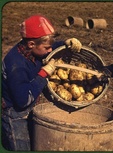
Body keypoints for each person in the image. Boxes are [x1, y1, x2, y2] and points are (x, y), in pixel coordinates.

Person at [1, 14, 82, 151]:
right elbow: (23, 101)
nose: (50, 51)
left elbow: (47, 47)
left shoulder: (32, 49)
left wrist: (65, 43)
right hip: (15, 115)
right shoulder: (16, 65)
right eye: (47, 48)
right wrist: (43, 74)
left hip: (30, 107)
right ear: (31, 44)